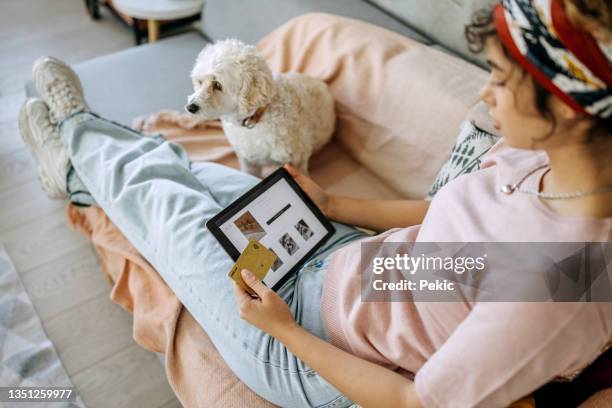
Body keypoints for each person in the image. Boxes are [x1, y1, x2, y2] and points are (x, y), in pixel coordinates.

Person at [19, 0, 611, 406]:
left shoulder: (566, 281)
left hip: (316, 343)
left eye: (502, 79)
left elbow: (413, 401)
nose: (485, 93)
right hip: (346, 257)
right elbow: (446, 224)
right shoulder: (539, 158)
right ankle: (78, 173)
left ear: (564, 107)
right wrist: (333, 204)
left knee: (164, 209)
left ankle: (75, 133)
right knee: (197, 176)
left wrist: (285, 331)